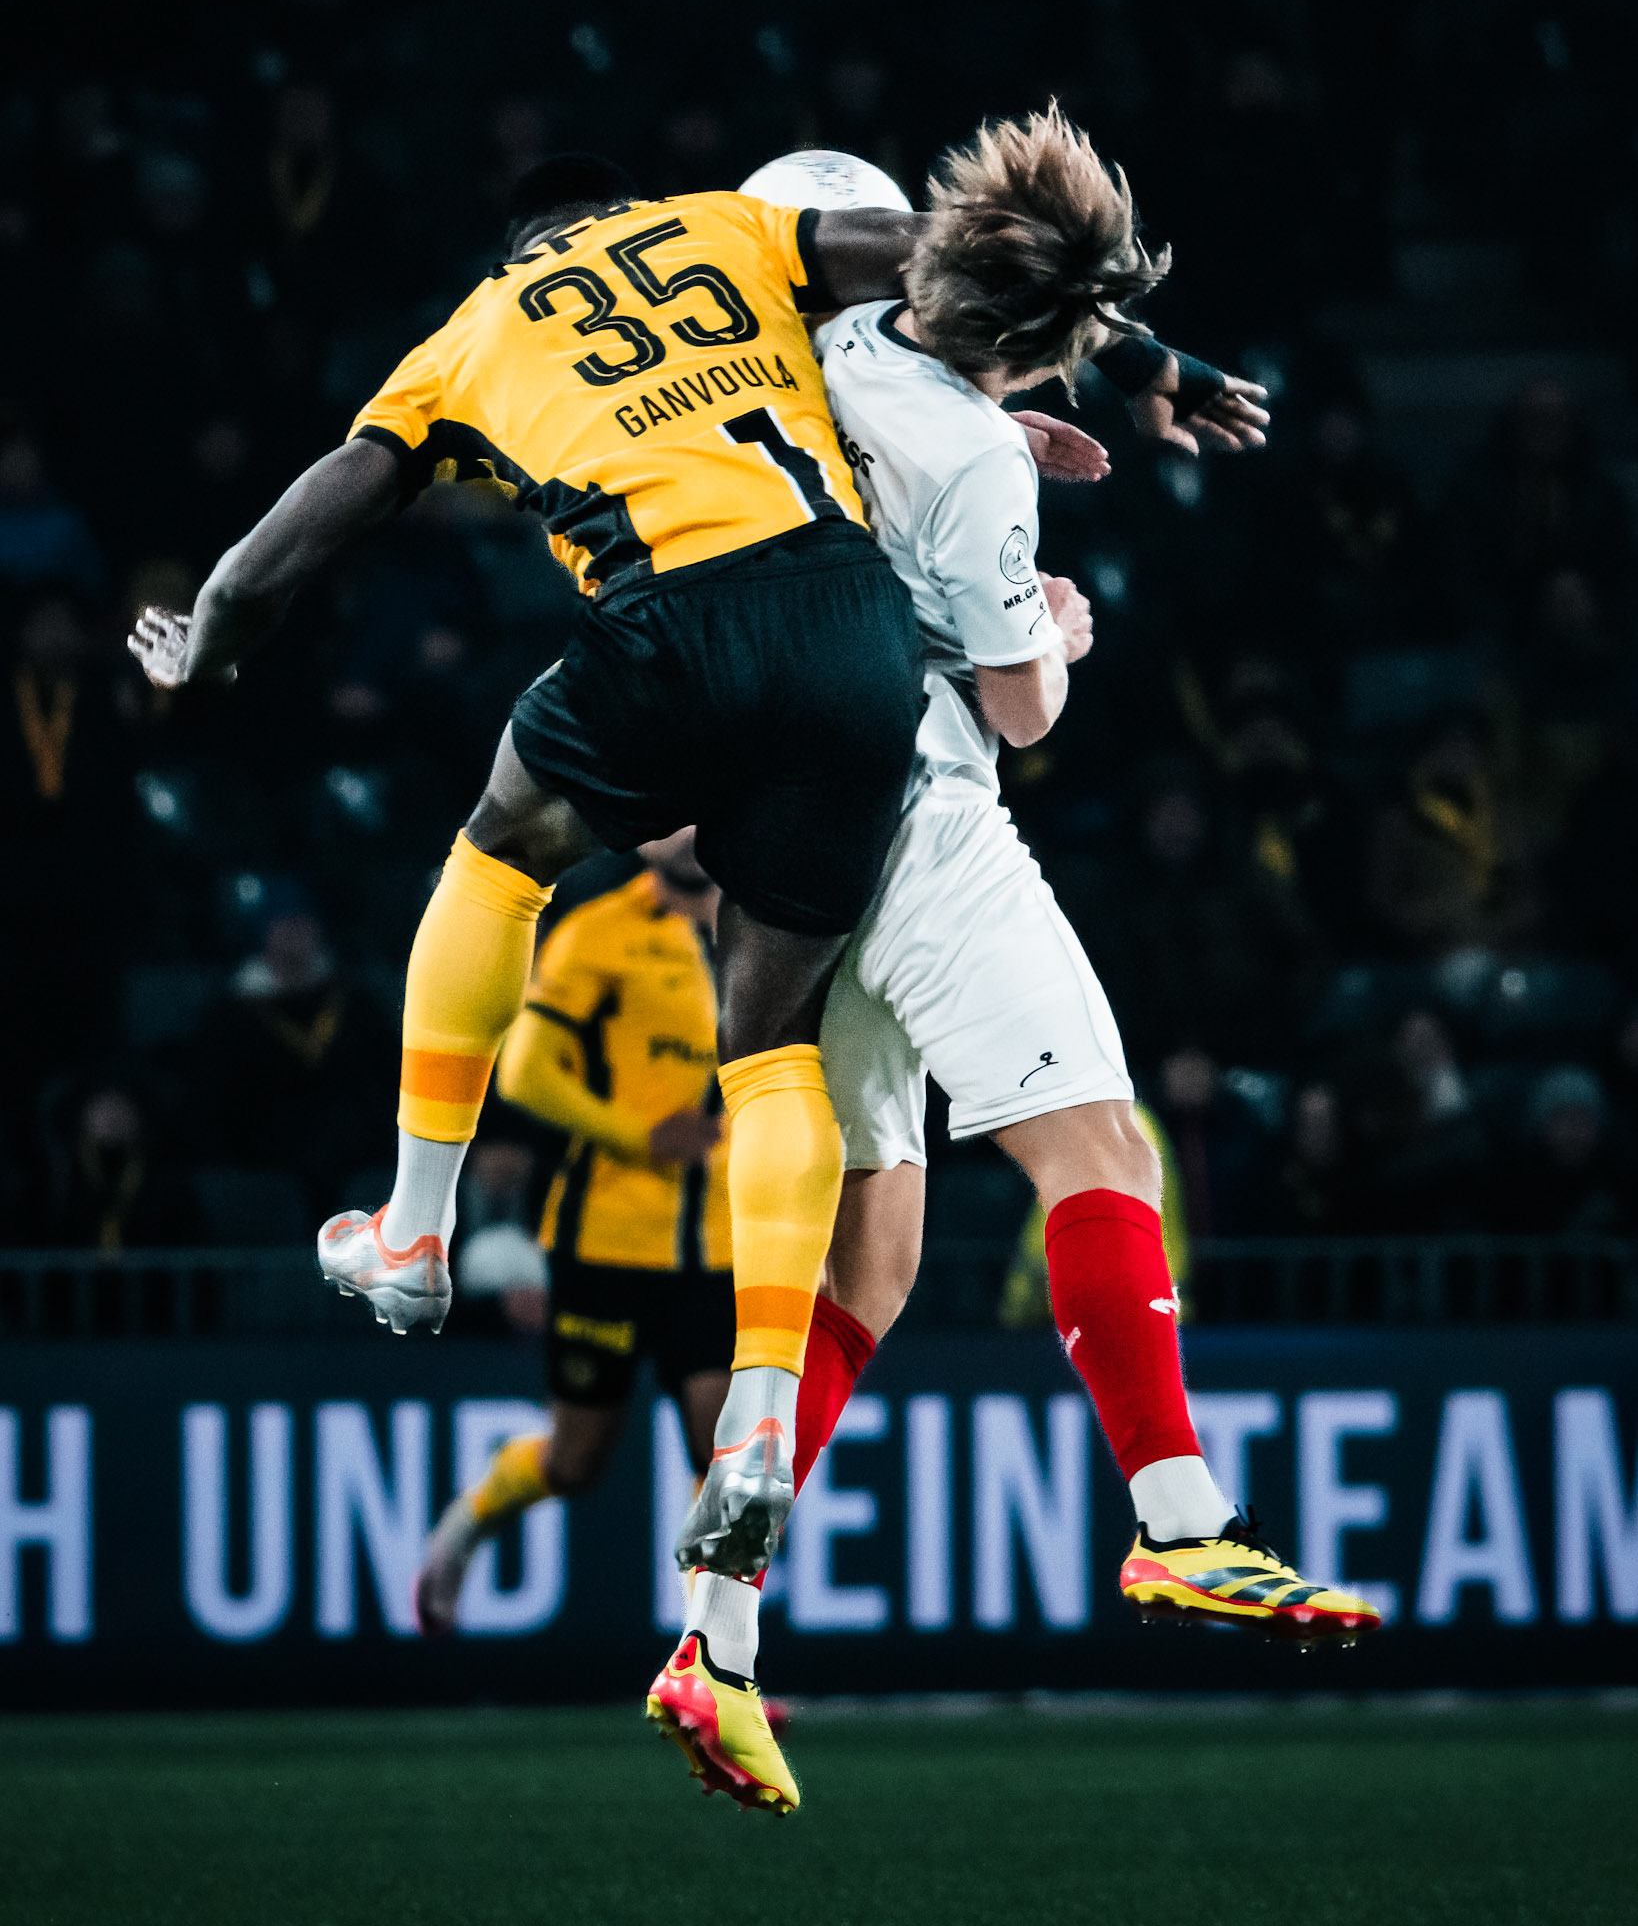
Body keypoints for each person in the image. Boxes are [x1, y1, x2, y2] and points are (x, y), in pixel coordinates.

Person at [129, 135, 1219, 1602]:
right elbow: (949, 260)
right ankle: (762, 1426)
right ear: (622, 214)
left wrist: (209, 630)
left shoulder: (473, 330)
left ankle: (413, 1225)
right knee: (774, 1049)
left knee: (502, 847)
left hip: (666, 631)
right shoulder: (730, 234)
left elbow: (326, 503)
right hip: (853, 654)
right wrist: (1128, 351)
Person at [646, 129, 1374, 1815]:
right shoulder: (981, 460)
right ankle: (1181, 1526)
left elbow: (952, 333)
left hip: (774, 843)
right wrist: (1051, 615)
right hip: (913, 823)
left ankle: (714, 1634)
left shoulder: (802, 345)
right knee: (1102, 1151)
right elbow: (1018, 711)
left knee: (869, 1259)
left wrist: (1056, 404)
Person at [413, 828, 734, 1634]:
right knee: (576, 1461)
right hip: (607, 1239)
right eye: (671, 815)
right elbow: (525, 1072)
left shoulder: (772, 927)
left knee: (725, 1457)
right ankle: (469, 1522)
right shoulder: (598, 932)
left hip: (726, 1244)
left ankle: (717, 1661)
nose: (687, 830)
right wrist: (636, 1133)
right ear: (646, 832)